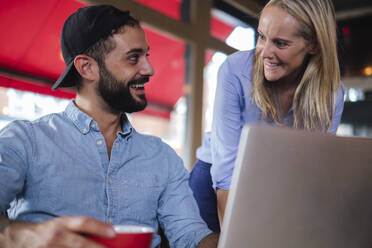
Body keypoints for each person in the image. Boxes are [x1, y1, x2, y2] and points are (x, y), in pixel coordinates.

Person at [0, 5, 218, 248]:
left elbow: (190, 236)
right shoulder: (24, 142)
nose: (149, 69)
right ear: (87, 68)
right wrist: (20, 236)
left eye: (147, 56)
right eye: (133, 58)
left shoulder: (162, 157)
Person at [189, 0, 345, 233]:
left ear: (313, 44)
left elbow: (313, 171)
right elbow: (226, 175)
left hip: (275, 184)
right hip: (216, 183)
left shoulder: (331, 93)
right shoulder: (234, 70)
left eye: (280, 43)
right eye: (262, 37)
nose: (265, 53)